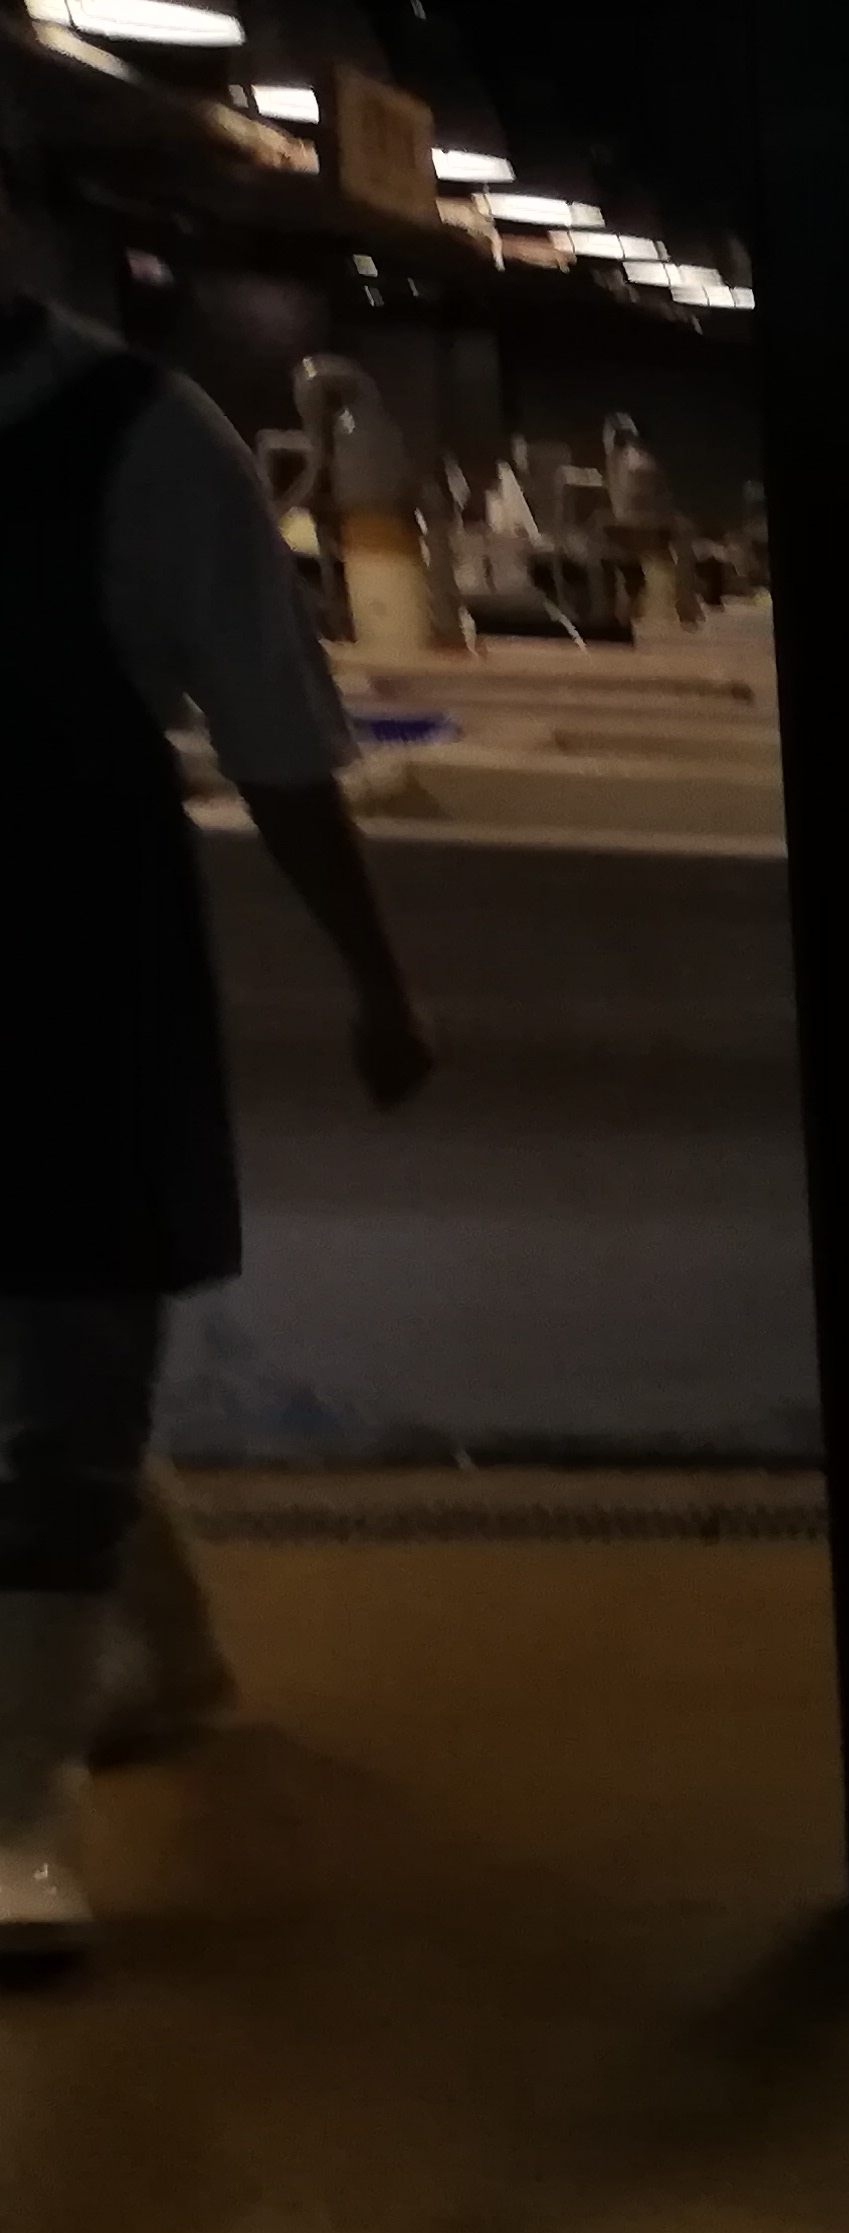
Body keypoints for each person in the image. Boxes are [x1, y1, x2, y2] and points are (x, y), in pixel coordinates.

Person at [0, 250, 434, 1966]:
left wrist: (376, 979)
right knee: (52, 1362)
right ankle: (155, 1650)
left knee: (64, 1363)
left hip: (64, 970)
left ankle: (15, 1813)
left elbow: (275, 733)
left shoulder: (140, 435)